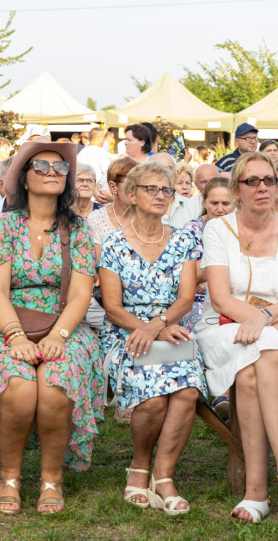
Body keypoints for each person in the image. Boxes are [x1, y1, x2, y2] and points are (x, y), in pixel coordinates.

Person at [0, 141, 104, 515]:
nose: (53, 172)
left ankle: (51, 478)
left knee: (55, 384)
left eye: (61, 168)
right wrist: (14, 334)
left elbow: (81, 295)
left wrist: (59, 335)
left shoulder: (79, 229)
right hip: (5, 323)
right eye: (42, 166)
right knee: (17, 386)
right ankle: (10, 476)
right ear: (23, 178)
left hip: (63, 323)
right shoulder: (4, 226)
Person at [195, 152, 278, 522]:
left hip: (277, 324)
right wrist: (272, 325)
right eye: (252, 181)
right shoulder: (218, 229)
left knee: (257, 365)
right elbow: (220, 297)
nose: (263, 187)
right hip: (224, 325)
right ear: (237, 188)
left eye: (268, 180)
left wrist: (269, 319)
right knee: (268, 348)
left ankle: (258, 492)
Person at [98, 160, 205, 514]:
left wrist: (157, 323)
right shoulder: (113, 243)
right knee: (156, 396)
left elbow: (186, 299)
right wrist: (144, 328)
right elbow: (112, 307)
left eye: (167, 190)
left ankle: (164, 474)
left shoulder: (183, 240)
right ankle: (139, 467)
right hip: (125, 334)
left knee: (188, 386)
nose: (161, 196)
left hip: (169, 329)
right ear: (131, 193)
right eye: (152, 189)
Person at [182, 177, 233, 335]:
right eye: (214, 203)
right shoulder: (192, 230)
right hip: (198, 301)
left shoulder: (241, 230)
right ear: (204, 202)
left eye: (225, 204)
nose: (220, 209)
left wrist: (207, 281)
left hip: (235, 297)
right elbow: (190, 276)